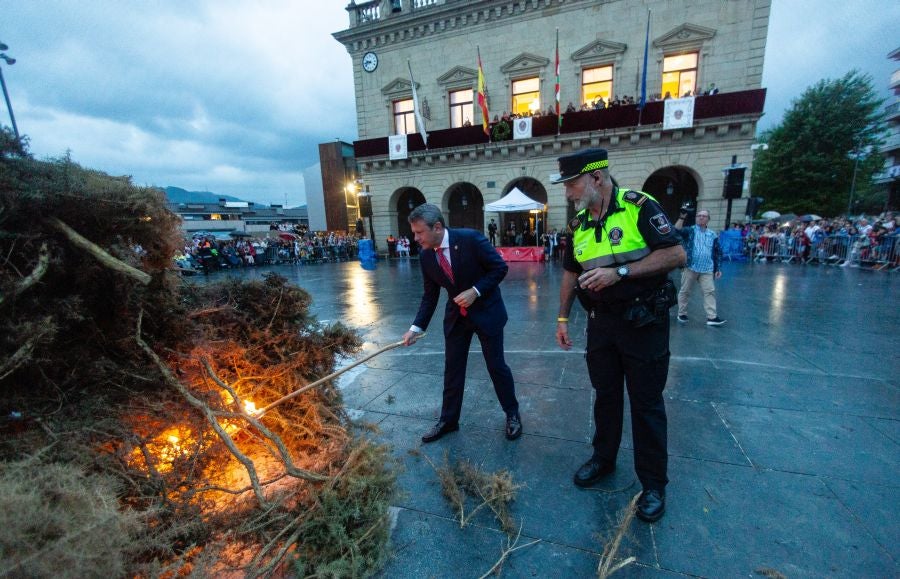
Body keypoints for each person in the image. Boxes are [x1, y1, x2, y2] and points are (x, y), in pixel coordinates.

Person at [552, 148, 685, 523]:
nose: (568, 193)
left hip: (643, 323)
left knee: (646, 403)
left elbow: (676, 255)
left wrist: (621, 273)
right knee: (605, 396)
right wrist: (563, 317)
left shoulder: (639, 206)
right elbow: (569, 272)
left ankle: (654, 485)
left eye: (572, 184)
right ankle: (603, 459)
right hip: (601, 324)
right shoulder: (579, 224)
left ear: (596, 178)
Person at [402, 203, 522, 443]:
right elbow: (430, 295)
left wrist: (476, 291)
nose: (415, 238)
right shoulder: (426, 256)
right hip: (457, 317)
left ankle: (512, 414)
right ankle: (448, 420)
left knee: (496, 367)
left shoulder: (471, 239)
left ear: (437, 227)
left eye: (419, 232)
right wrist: (417, 327)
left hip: (487, 313)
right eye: (414, 233)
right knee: (453, 369)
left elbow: (500, 268)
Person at [674, 209, 726, 326]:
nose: (701, 217)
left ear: (708, 219)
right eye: (699, 216)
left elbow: (718, 252)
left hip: (707, 268)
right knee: (685, 291)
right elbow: (676, 230)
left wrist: (718, 268)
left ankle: (712, 317)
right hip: (691, 266)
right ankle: (682, 313)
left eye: (704, 216)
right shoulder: (690, 230)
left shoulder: (712, 234)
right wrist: (682, 217)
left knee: (710, 292)